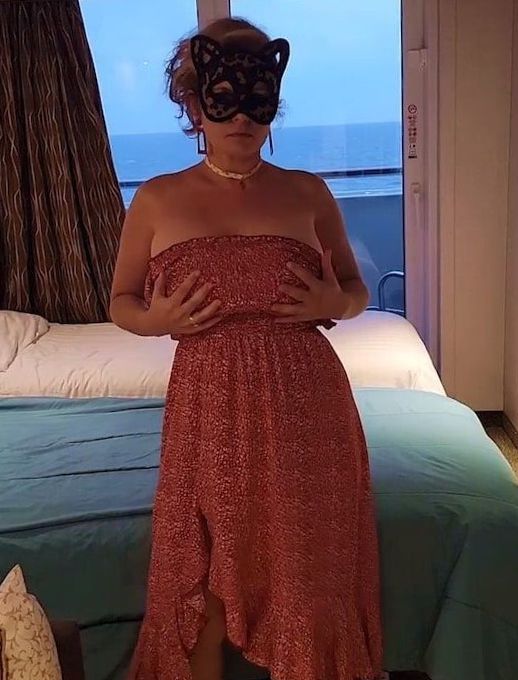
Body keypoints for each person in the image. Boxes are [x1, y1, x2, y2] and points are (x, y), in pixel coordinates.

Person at [109, 16, 384, 680]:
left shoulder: (307, 192)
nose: (241, 118)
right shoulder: (156, 199)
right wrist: (155, 318)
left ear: (273, 103)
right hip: (207, 406)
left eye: (257, 101)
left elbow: (355, 289)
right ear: (194, 105)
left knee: (308, 583)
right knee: (200, 587)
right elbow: (119, 302)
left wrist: (333, 303)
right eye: (223, 99)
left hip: (307, 408)